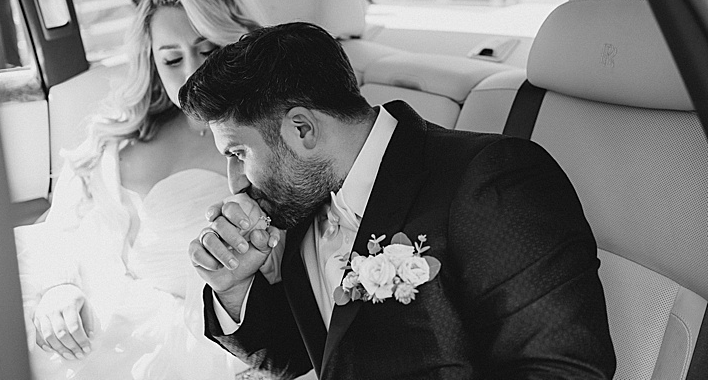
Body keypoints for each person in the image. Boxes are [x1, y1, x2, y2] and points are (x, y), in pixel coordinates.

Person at [179, 21, 617, 379]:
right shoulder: (299, 202)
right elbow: (315, 359)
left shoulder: (492, 178)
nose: (234, 183)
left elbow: (562, 370)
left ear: (302, 130)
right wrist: (234, 286)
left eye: (238, 154)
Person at [14, 0, 276, 380]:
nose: (193, 74)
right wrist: (58, 287)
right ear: (153, 62)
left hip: (192, 341)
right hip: (95, 315)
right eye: (172, 59)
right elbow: (64, 228)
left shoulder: (265, 146)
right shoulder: (123, 134)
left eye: (209, 51)